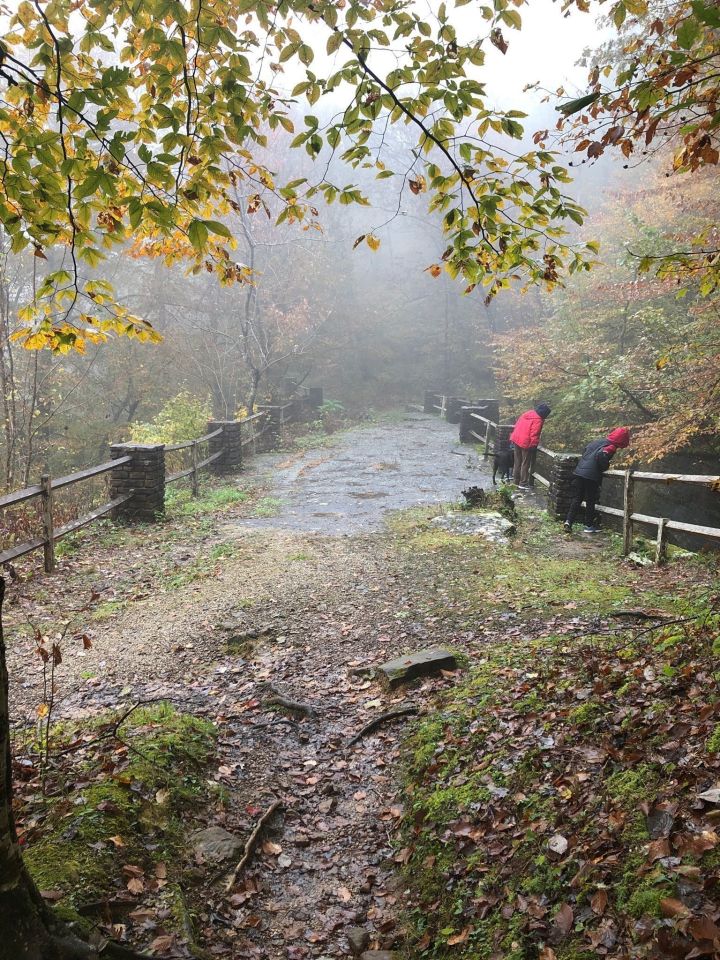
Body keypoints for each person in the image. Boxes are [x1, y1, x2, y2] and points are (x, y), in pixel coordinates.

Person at [564, 427, 631, 533]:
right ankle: (589, 525)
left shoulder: (598, 442)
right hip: (591, 475)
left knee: (577, 498)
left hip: (579, 472)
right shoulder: (611, 446)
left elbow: (585, 450)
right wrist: (605, 467)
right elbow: (601, 456)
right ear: (622, 440)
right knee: (590, 500)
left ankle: (568, 521)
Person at [510, 403, 551, 488]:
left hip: (516, 438)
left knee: (517, 461)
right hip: (526, 442)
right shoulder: (538, 419)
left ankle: (515, 481)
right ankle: (523, 483)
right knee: (525, 463)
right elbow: (534, 434)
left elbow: (517, 425)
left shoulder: (527, 413)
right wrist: (533, 445)